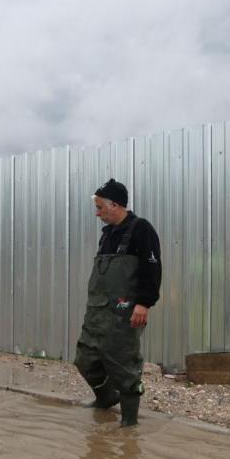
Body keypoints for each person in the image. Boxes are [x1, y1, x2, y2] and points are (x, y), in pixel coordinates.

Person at [73, 179, 161, 427]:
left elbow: (152, 269)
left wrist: (144, 303)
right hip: (97, 312)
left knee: (124, 365)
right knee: (84, 359)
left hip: (125, 313)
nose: (97, 212)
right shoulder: (107, 234)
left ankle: (129, 424)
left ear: (115, 205)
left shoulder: (141, 229)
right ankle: (105, 398)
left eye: (100, 207)